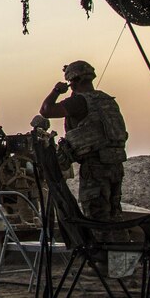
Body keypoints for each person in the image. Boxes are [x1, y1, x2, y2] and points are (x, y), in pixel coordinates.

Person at [39, 60, 128, 221]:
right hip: (115, 165)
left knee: (96, 217)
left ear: (75, 81)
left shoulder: (79, 102)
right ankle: (118, 243)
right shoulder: (107, 100)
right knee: (114, 215)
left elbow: (46, 110)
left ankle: (105, 244)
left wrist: (57, 90)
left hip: (95, 166)